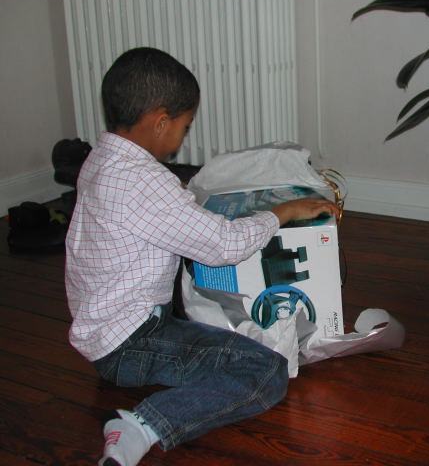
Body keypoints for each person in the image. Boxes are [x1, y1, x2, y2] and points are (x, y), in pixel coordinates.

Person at [64, 47, 339, 466]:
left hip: (108, 326)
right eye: (185, 126)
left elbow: (153, 212)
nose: (184, 136)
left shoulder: (102, 160)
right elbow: (225, 247)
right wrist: (282, 213)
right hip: (131, 343)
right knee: (265, 371)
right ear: (160, 121)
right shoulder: (144, 182)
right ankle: (143, 426)